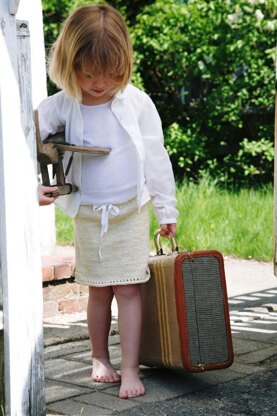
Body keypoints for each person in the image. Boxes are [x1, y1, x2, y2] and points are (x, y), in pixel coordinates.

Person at [37, 4, 178, 399]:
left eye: (111, 75)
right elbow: (32, 146)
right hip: (88, 213)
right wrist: (40, 185)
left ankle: (131, 367)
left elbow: (156, 156)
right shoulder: (61, 104)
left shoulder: (137, 103)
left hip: (131, 210)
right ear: (69, 64)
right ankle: (100, 357)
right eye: (88, 74)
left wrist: (167, 209)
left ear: (125, 66)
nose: (99, 84)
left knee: (130, 288)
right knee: (99, 288)